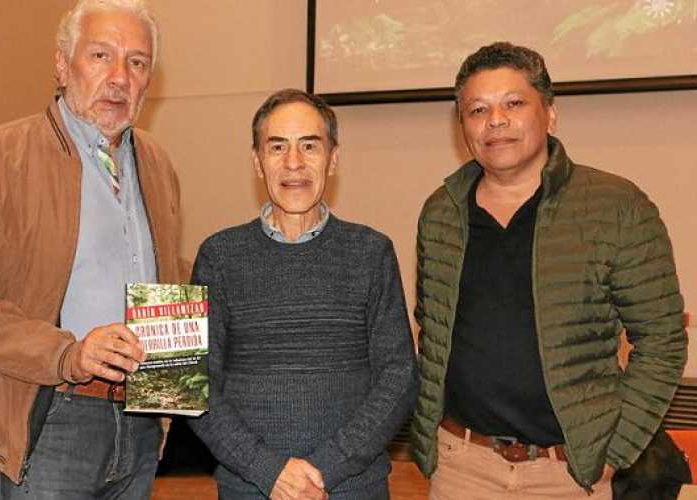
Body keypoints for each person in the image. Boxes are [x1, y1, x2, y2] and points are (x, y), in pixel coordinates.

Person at [0, 0, 182, 498]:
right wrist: (67, 354)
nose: (120, 77)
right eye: (101, 56)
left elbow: (164, 286)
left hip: (142, 420)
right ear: (62, 64)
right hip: (49, 418)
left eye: (137, 62)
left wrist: (167, 396)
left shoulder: (158, 165)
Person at [409, 42, 687, 499]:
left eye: (513, 103)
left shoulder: (616, 206)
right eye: (477, 109)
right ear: (462, 127)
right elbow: (433, 330)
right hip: (462, 467)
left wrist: (613, 452)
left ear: (550, 114)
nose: (495, 120)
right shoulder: (441, 212)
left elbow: (663, 340)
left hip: (571, 475)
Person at [189, 88, 418, 500]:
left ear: (333, 158)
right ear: (258, 162)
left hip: (352, 489)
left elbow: (398, 378)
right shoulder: (218, 256)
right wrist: (269, 471)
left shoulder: (371, 252)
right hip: (250, 489)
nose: (293, 163)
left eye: (309, 146)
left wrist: (325, 469)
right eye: (277, 147)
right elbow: (194, 383)